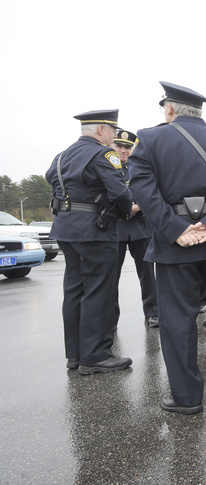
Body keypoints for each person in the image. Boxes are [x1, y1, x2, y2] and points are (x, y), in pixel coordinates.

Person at [127, 82, 206, 415]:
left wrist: (176, 229)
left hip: (175, 247)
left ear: (169, 109)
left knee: (178, 321)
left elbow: (141, 186)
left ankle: (187, 397)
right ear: (199, 111)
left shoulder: (149, 139)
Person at [46, 110, 134, 374]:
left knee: (74, 290)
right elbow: (119, 191)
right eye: (113, 131)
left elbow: (51, 179)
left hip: (65, 229)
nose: (115, 136)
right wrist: (127, 210)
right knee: (99, 291)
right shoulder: (102, 154)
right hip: (95, 230)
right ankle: (95, 356)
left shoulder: (61, 156)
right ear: (101, 130)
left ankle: (75, 355)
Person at [112, 129, 159, 329]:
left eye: (127, 147)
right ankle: (110, 320)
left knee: (147, 275)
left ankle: (153, 314)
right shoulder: (105, 166)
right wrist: (122, 209)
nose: (123, 150)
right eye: (119, 146)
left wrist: (137, 206)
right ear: (111, 147)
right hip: (115, 228)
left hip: (140, 226)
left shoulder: (140, 167)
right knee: (110, 277)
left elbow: (152, 190)